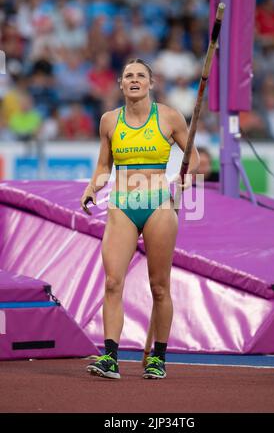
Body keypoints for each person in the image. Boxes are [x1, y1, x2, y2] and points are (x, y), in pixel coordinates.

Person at [80, 58, 199, 380]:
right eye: (128, 76)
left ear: (151, 82)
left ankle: (158, 357)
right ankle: (110, 356)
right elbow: (104, 165)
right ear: (121, 84)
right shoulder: (109, 121)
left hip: (159, 205)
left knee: (159, 287)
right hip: (122, 205)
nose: (134, 80)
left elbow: (194, 157)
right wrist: (94, 185)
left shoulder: (169, 116)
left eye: (140, 76)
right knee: (113, 281)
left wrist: (187, 178)